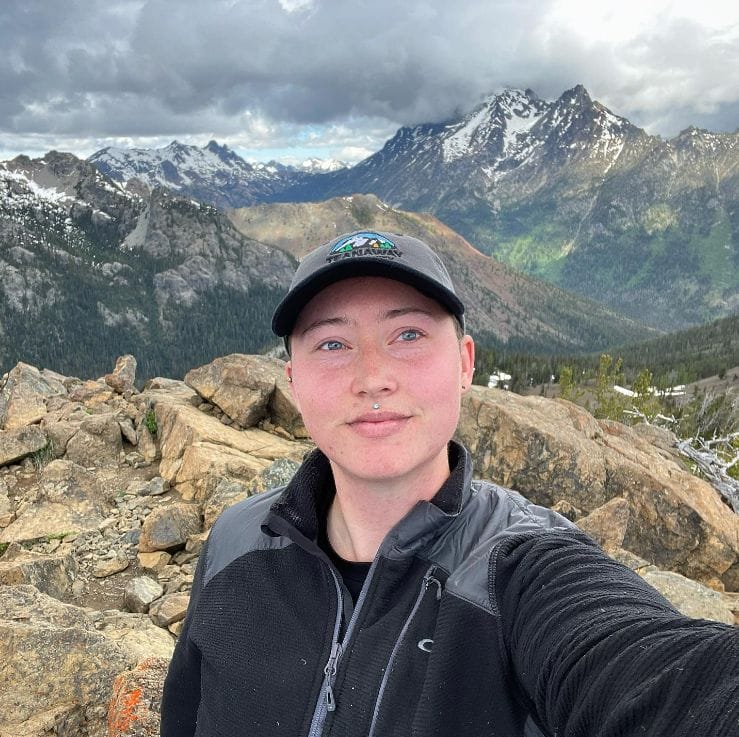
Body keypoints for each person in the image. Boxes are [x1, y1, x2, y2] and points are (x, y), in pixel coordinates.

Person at [160, 230, 738, 737]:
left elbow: (655, 674)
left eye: (408, 334)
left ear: (465, 363)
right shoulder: (236, 541)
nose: (372, 377)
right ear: (292, 379)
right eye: (331, 344)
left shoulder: (521, 568)